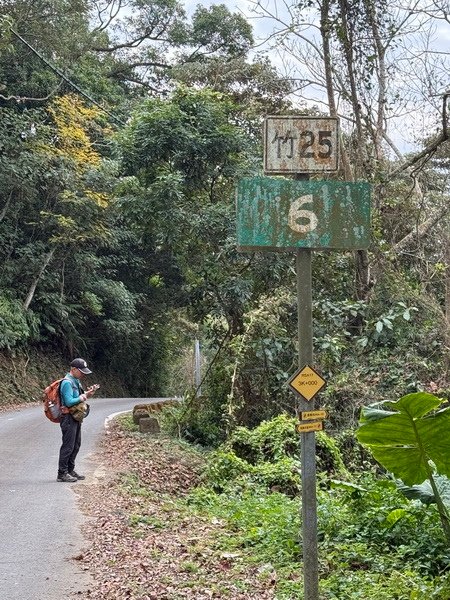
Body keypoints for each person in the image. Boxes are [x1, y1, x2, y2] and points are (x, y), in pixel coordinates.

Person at [57, 358, 99, 483]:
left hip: (76, 417)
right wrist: (83, 396)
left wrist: (88, 393)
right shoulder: (67, 383)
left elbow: (78, 397)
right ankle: (62, 473)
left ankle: (70, 470)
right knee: (68, 446)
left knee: (76, 445)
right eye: (81, 372)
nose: (83, 374)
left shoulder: (76, 381)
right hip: (68, 417)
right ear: (73, 369)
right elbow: (69, 401)